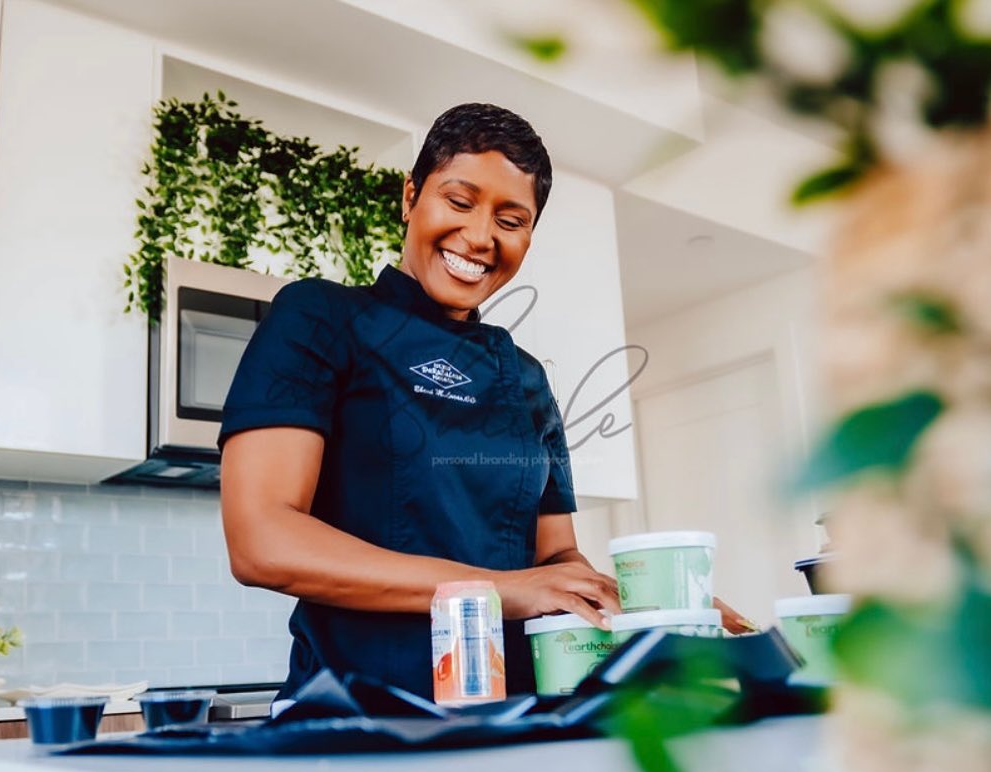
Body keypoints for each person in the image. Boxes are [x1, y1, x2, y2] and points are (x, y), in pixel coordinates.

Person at [219, 103, 745, 706]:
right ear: (410, 196)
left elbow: (554, 558)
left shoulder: (526, 379)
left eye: (511, 219)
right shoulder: (320, 318)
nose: (479, 236)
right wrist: (500, 590)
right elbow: (262, 541)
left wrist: (656, 612)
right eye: (459, 201)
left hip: (518, 712)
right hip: (359, 714)